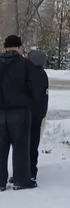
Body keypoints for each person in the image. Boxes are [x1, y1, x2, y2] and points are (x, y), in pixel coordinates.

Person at [0, 35, 36, 191]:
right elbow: (34, 87)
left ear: (5, 47)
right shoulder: (27, 65)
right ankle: (21, 180)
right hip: (20, 112)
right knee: (21, 147)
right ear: (20, 47)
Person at [27, 49, 49, 185]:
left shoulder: (30, 74)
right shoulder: (43, 75)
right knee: (33, 145)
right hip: (38, 115)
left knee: (26, 145)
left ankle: (28, 172)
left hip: (29, 114)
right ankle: (31, 171)